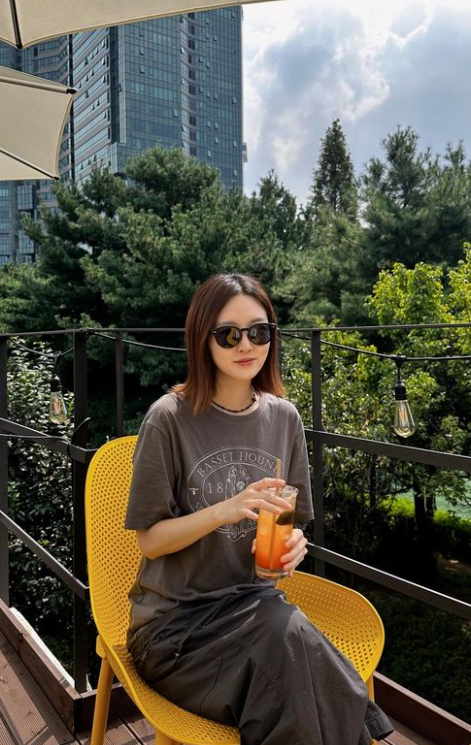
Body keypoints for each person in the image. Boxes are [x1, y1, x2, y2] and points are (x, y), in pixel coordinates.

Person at [125, 273, 393, 745]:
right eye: (229, 334)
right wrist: (225, 509)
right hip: (175, 628)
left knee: (297, 663)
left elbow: (288, 524)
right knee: (299, 670)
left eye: (259, 331)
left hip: (256, 607)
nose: (246, 345)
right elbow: (150, 540)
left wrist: (293, 548)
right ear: (202, 338)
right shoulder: (168, 418)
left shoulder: (284, 418)